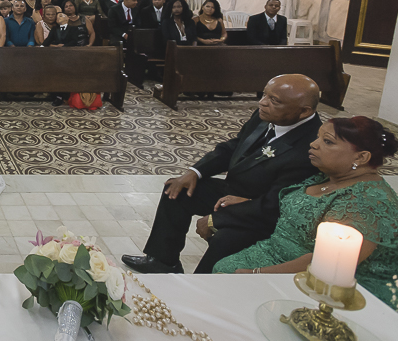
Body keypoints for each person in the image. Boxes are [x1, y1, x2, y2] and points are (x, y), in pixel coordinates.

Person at [122, 75, 322, 274]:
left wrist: (215, 219)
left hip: (260, 212)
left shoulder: (310, 149)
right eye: (264, 95)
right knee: (176, 190)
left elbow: (277, 205)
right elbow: (235, 147)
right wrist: (195, 172)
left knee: (224, 239)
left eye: (274, 100)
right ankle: (163, 262)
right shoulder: (269, 114)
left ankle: (201, 282)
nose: (262, 102)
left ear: (304, 111)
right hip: (234, 192)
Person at [214, 117, 398, 309]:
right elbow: (300, 210)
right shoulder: (330, 176)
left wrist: (256, 275)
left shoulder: (366, 203)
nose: (314, 144)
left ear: (361, 157)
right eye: (318, 137)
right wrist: (250, 203)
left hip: (326, 288)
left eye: (328, 141)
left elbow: (328, 264)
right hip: (273, 253)